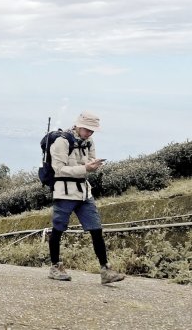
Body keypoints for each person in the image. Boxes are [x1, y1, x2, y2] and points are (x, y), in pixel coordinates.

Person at [47, 111, 125, 284]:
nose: (90, 133)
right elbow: (58, 169)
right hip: (64, 192)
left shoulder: (89, 141)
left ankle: (106, 270)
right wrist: (86, 169)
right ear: (79, 125)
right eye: (87, 129)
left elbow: (89, 161)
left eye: (92, 130)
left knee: (96, 229)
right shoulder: (62, 142)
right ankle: (54, 266)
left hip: (83, 191)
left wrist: (92, 165)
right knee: (58, 229)